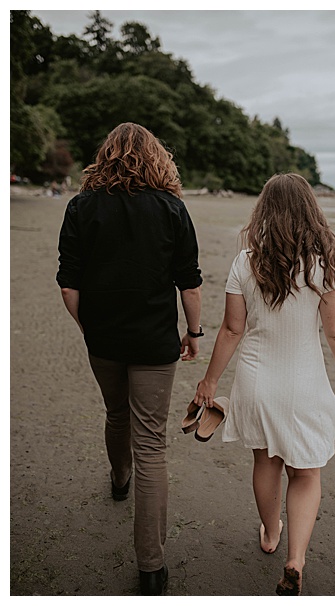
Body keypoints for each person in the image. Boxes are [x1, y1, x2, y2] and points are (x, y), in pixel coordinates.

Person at [192, 173, 335, 595]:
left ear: (263, 212)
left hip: (255, 383)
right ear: (311, 211)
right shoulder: (322, 265)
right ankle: (296, 558)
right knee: (306, 473)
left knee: (264, 462)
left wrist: (209, 382)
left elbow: (231, 330)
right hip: (305, 384)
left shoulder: (245, 262)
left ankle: (271, 532)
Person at [56, 122, 203, 595]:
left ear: (106, 157)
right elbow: (189, 280)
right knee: (152, 443)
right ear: (158, 158)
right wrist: (194, 331)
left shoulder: (81, 207)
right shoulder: (172, 208)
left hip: (104, 339)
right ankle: (152, 568)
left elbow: (68, 282)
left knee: (116, 413)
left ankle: (119, 479)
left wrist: (87, 326)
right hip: (156, 342)